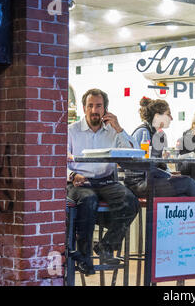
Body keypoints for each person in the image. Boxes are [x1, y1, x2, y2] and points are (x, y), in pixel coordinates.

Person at [67, 88, 140, 275]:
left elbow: (135, 152)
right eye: (90, 106)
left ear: (105, 109)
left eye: (98, 106)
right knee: (88, 200)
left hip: (106, 181)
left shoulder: (112, 131)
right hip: (79, 182)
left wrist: (119, 128)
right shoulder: (71, 131)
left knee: (130, 201)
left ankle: (106, 246)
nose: (94, 110)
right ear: (84, 108)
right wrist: (73, 175)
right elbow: (59, 159)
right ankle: (84, 258)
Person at [124, 97, 195, 198]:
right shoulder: (143, 133)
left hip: (152, 180)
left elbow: (158, 165)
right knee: (188, 182)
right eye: (168, 114)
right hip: (138, 184)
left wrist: (168, 171)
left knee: (183, 195)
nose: (172, 118)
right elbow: (142, 166)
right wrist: (168, 175)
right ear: (157, 116)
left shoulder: (160, 135)